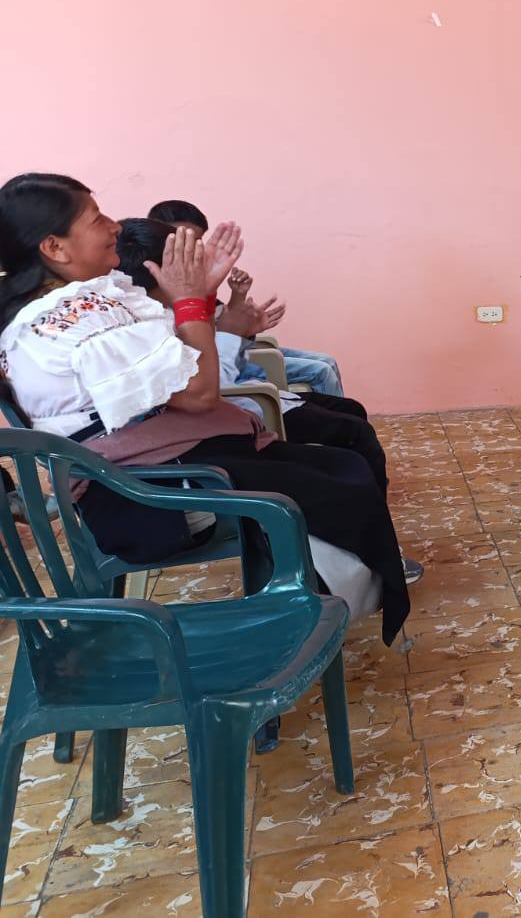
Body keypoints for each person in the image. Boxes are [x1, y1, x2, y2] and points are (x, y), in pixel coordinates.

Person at [1, 175, 410, 645]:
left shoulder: (71, 305)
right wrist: (190, 301)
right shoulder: (70, 316)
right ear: (54, 246)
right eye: (96, 219)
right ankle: (303, 620)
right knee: (342, 481)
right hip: (144, 493)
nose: (114, 226)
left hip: (155, 462)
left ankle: (317, 603)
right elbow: (199, 393)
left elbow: (177, 369)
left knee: (343, 464)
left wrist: (198, 296)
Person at [115, 218, 426, 586]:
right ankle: (368, 559)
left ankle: (374, 545)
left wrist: (230, 317)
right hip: (208, 441)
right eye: (188, 255)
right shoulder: (142, 321)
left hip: (223, 423)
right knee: (349, 448)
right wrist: (223, 323)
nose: (197, 262)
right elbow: (210, 388)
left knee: (350, 426)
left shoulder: (161, 310)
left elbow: (216, 364)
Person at [148, 198, 346, 396]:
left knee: (326, 362)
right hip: (219, 367)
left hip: (232, 354)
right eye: (182, 240)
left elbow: (220, 327)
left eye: (197, 241)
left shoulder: (196, 275)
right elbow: (210, 351)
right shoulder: (155, 290)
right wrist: (234, 331)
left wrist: (239, 297)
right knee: (321, 371)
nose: (192, 249)